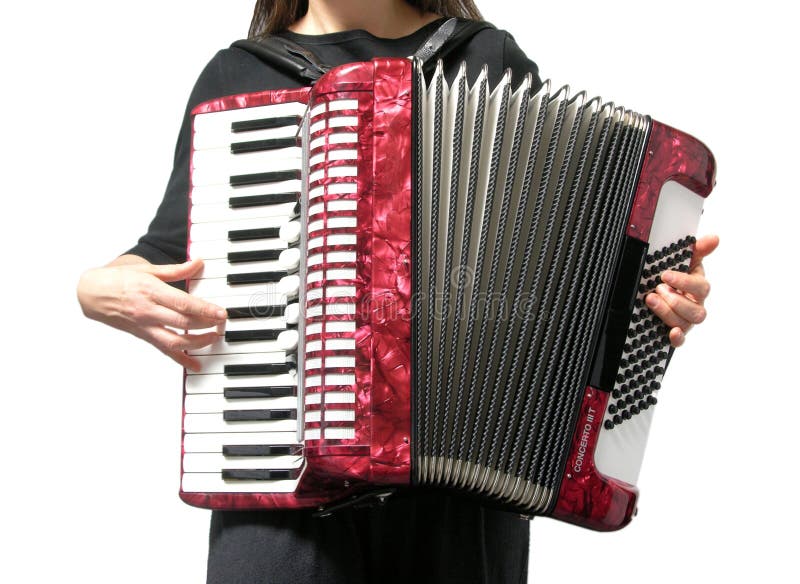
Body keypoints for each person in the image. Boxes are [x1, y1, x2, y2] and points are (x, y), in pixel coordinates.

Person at [76, 1, 720, 582]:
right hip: (284, 488)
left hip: (461, 517)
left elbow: (571, 276)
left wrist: (652, 301)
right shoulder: (240, 75)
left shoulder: (487, 59)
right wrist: (97, 288)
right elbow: (164, 256)